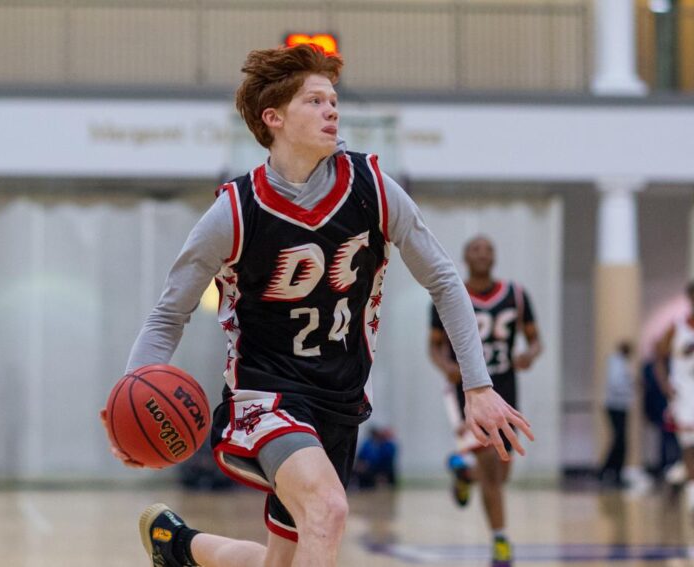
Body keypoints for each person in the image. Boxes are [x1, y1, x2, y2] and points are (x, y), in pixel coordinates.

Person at [104, 45, 533, 567]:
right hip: (265, 394)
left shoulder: (372, 187)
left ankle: (181, 547)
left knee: (283, 559)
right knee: (327, 510)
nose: (332, 110)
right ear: (274, 117)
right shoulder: (234, 212)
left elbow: (444, 279)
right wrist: (129, 394)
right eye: (315, 100)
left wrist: (479, 385)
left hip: (340, 400)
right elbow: (169, 314)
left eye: (333, 100)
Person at [429, 235, 542, 567]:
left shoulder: (516, 295)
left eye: (488, 249)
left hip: (505, 389)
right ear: (465, 256)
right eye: (476, 249)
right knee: (492, 470)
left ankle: (465, 476)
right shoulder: (450, 294)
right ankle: (501, 541)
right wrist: (446, 366)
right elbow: (434, 346)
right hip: (467, 393)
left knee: (501, 472)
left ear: (495, 257)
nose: (483, 254)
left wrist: (529, 355)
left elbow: (536, 341)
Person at [655, 280, 694, 510]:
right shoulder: (676, 327)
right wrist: (664, 384)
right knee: (689, 444)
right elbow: (658, 356)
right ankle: (691, 496)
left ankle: (677, 475)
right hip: (684, 393)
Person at [598, 341, 634, 487]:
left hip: (622, 405)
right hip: (615, 405)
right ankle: (608, 471)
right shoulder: (616, 363)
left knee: (621, 441)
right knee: (619, 440)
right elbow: (616, 383)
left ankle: (614, 472)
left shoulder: (622, 363)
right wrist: (629, 385)